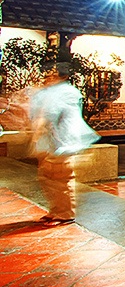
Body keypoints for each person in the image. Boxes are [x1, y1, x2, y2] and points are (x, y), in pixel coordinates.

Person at [29, 62, 99, 225]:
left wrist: (36, 134)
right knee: (48, 178)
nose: (48, 77)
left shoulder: (65, 92)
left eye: (53, 74)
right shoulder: (52, 91)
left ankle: (65, 213)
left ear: (63, 76)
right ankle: (56, 210)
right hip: (51, 143)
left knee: (60, 178)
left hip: (62, 143)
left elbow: (49, 114)